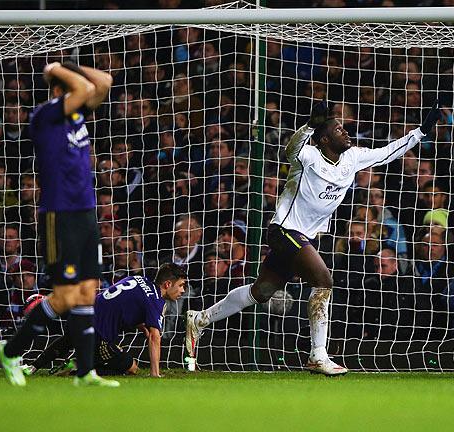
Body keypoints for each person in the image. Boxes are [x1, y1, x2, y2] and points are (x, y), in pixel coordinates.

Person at [186, 99, 440, 376]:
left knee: (261, 292)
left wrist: (421, 132)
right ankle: (317, 354)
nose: (346, 133)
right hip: (284, 230)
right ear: (324, 138)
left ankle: (200, 319)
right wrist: (308, 126)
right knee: (324, 280)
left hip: (306, 236)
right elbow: (290, 149)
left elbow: (388, 152)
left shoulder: (353, 157)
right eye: (339, 129)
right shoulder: (307, 157)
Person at [0, 61, 117, 387]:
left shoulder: (76, 113)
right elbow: (86, 89)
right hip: (59, 215)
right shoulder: (45, 116)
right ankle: (10, 350)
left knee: (88, 292)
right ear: (62, 90)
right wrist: (56, 69)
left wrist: (68, 65)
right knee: (63, 297)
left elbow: (104, 81)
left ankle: (85, 372)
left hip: (85, 213)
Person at [23, 263, 187, 378]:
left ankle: (33, 367)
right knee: (132, 367)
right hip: (99, 335)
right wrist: (155, 373)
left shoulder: (139, 279)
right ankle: (78, 368)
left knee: (69, 339)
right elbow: (154, 337)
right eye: (181, 285)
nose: (182, 290)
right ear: (167, 284)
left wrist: (141, 325)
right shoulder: (155, 300)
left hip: (83, 313)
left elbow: (125, 304)